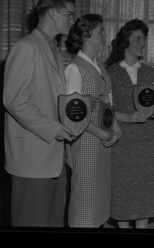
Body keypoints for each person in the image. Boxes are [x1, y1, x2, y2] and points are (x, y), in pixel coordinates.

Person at [3, 0, 77, 227]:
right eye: (69, 14)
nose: (71, 20)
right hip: (32, 158)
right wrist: (54, 129)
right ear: (53, 13)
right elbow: (15, 100)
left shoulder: (53, 49)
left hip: (53, 158)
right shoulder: (27, 47)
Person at [105, 19, 154, 229]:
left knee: (145, 189)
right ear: (126, 42)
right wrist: (128, 117)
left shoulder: (151, 72)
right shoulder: (110, 72)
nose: (143, 43)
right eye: (138, 39)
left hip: (147, 140)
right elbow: (106, 109)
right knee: (122, 188)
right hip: (121, 139)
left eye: (144, 39)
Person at [64, 13, 122, 228]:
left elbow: (107, 103)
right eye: (101, 32)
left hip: (103, 144)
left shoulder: (100, 68)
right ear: (86, 35)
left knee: (98, 204)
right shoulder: (74, 69)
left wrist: (116, 130)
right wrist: (102, 133)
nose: (106, 36)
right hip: (86, 142)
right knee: (84, 206)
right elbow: (73, 116)